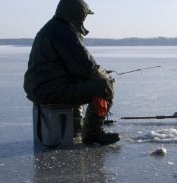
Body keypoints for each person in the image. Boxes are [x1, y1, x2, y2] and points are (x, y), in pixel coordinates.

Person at [24, 0, 120, 146]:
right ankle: (93, 135)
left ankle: (75, 129)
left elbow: (71, 66)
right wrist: (105, 76)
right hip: (50, 91)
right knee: (105, 85)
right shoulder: (64, 32)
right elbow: (87, 67)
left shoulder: (53, 27)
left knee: (80, 84)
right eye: (84, 16)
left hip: (40, 88)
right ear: (77, 15)